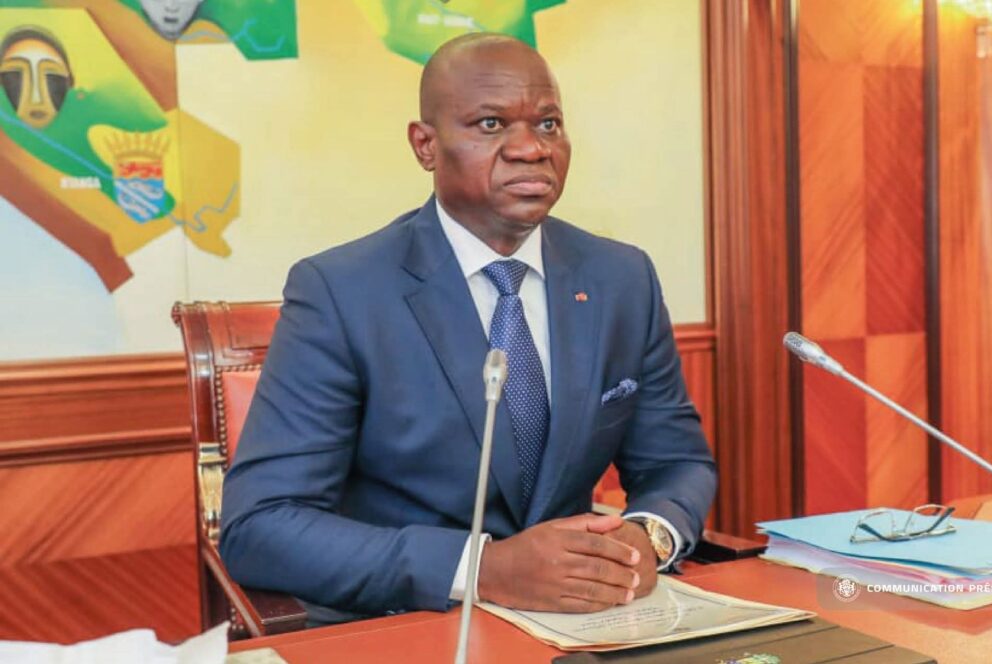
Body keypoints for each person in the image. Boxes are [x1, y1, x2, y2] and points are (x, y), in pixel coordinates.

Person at [220, 33, 717, 623]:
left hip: (585, 623)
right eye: (491, 124)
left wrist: (648, 536)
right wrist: (482, 569)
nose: (531, 148)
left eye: (549, 124)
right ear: (425, 145)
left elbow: (675, 463)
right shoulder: (340, 291)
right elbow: (262, 526)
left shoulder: (621, 278)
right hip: (410, 623)